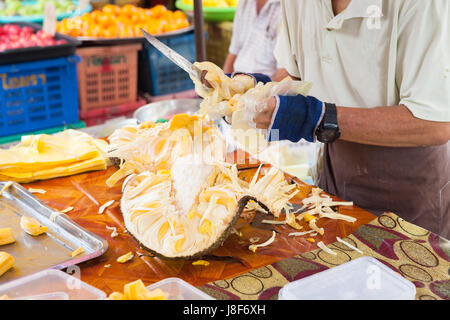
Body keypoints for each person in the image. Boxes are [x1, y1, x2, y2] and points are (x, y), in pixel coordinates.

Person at [214, 0, 450, 238]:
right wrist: (254, 94)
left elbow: (435, 123)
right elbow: (298, 75)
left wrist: (318, 118)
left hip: (412, 193)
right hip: (333, 175)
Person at [223, 0, 289, 81]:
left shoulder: (286, 7)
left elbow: (285, 74)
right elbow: (233, 51)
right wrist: (224, 83)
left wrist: (259, 92)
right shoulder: (244, 2)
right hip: (237, 82)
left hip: (266, 87)